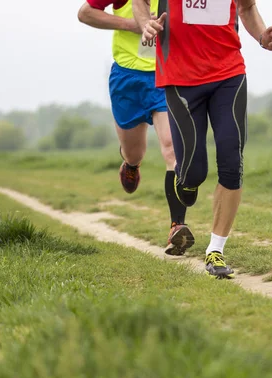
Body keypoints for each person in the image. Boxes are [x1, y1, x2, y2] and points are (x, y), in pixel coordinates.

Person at [134, 0, 272, 278]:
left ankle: (216, 250)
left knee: (232, 160)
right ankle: (186, 181)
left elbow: (247, 8)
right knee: (193, 173)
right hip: (180, 78)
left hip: (228, 74)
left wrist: (265, 38)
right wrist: (145, 23)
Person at [78, 0, 194, 256]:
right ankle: (130, 165)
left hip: (165, 76)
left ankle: (177, 225)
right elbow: (85, 14)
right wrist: (131, 25)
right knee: (135, 152)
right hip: (127, 79)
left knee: (172, 149)